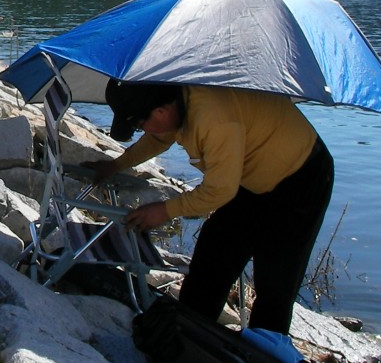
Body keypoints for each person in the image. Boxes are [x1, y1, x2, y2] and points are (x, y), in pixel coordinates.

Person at [86, 80, 334, 334]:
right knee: (214, 253)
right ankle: (188, 331)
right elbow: (159, 139)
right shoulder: (174, 100)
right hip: (249, 177)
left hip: (302, 177)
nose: (143, 131)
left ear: (161, 112)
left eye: (140, 125)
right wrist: (116, 165)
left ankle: (265, 347)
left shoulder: (213, 117)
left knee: (276, 276)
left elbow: (220, 190)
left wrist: (164, 210)